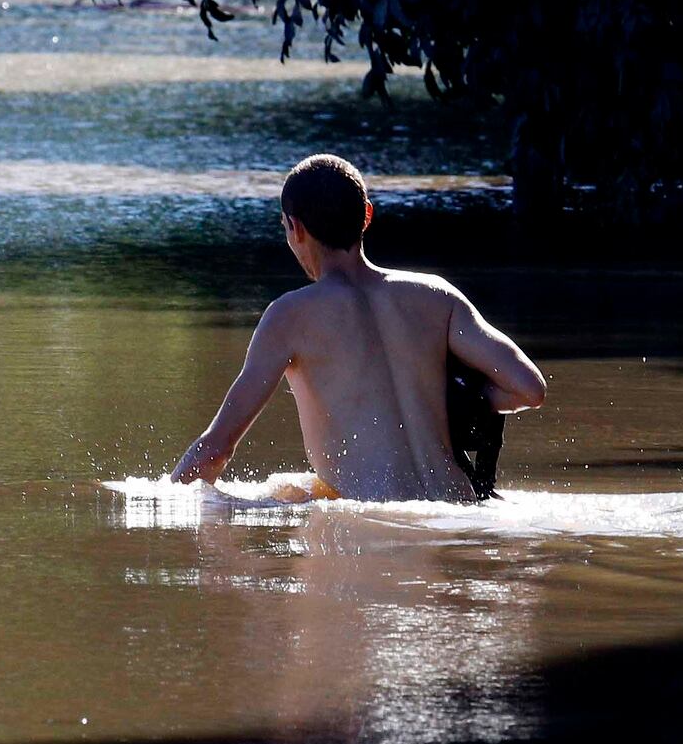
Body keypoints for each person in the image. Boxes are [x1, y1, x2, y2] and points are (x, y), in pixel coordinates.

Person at [169, 155, 546, 501]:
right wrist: (451, 401)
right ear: (366, 216)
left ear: (295, 228)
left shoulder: (289, 316)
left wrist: (163, 505)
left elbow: (216, 450)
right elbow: (529, 389)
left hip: (373, 516)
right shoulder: (436, 295)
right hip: (459, 504)